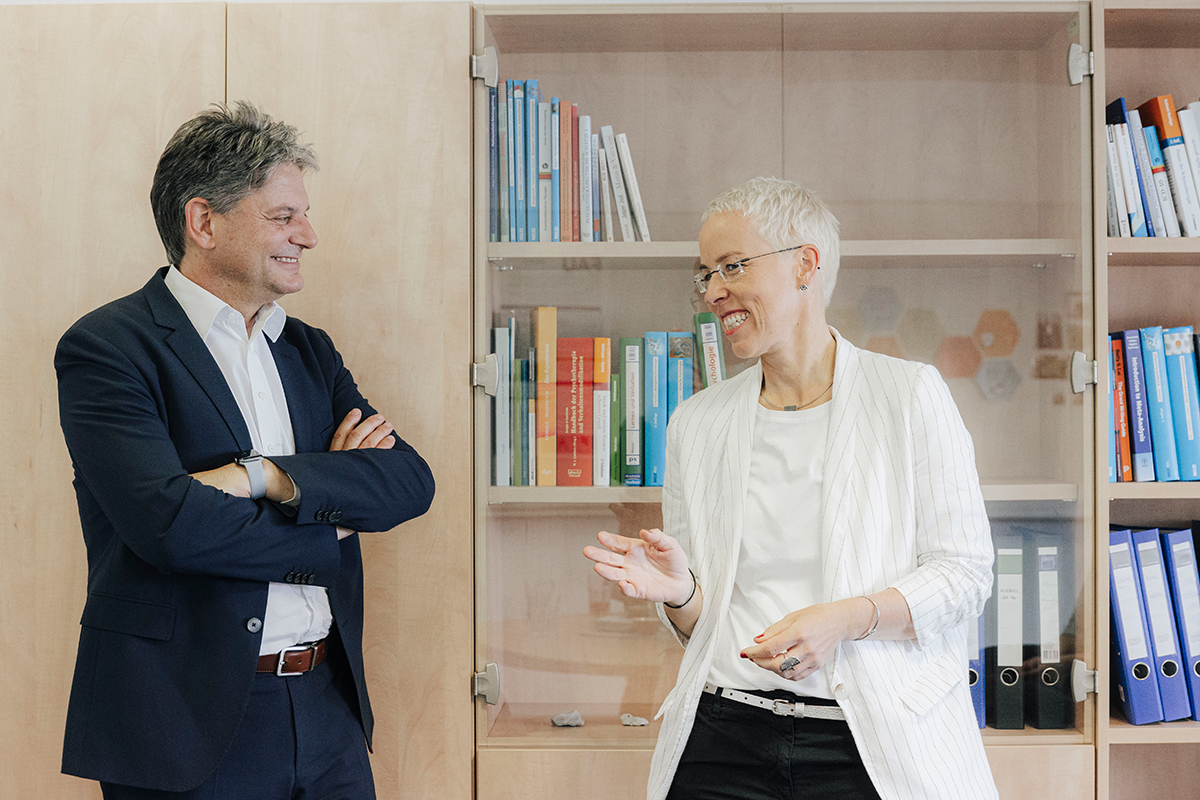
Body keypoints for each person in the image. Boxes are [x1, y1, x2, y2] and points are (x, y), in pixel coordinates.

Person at [55, 101, 435, 799]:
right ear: (204, 222)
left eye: (305, 215)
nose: (309, 235)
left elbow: (409, 482)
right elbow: (169, 526)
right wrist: (331, 510)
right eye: (284, 216)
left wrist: (261, 476)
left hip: (327, 710)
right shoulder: (107, 349)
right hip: (181, 723)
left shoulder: (308, 350)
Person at [584, 178, 997, 800]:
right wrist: (681, 593)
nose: (714, 291)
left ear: (805, 266)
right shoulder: (697, 423)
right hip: (724, 734)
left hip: (867, 739)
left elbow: (966, 575)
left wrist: (847, 620)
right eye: (706, 274)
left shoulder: (908, 396)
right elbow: (706, 623)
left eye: (732, 266)